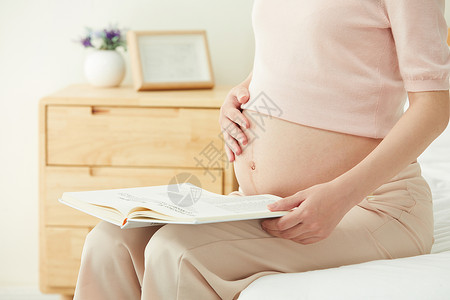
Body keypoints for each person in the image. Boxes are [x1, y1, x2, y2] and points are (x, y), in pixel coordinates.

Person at [73, 1, 450, 299]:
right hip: (265, 201)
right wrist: (241, 94)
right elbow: (304, 61)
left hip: (369, 205)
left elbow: (435, 106)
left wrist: (341, 196)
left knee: (177, 251)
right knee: (109, 241)